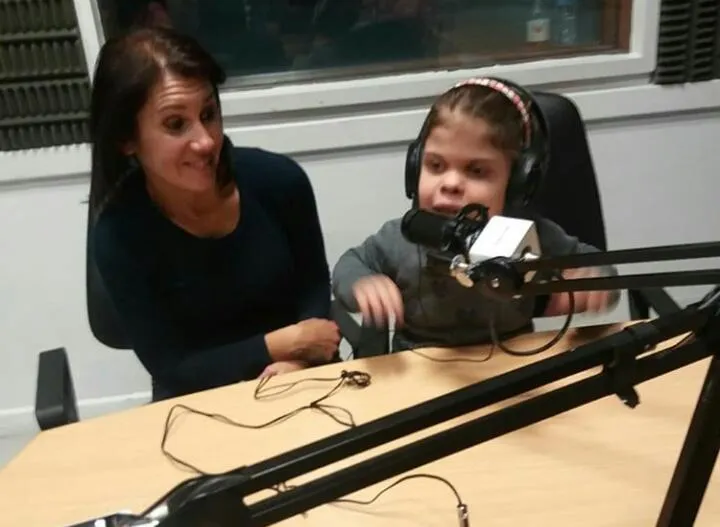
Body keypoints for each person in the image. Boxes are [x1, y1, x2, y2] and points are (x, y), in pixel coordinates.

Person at [88, 26, 340, 401]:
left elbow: (313, 292)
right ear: (127, 139)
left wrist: (297, 362)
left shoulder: (280, 181)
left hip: (298, 378)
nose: (206, 141)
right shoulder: (118, 234)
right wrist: (283, 343)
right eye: (176, 124)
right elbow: (173, 367)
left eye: (208, 113)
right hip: (196, 400)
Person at [332, 77, 619, 352]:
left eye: (476, 171)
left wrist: (593, 280)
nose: (450, 183)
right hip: (421, 365)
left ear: (517, 184)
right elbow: (350, 264)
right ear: (415, 167)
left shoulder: (532, 235)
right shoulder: (399, 238)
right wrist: (362, 283)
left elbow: (595, 264)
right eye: (435, 165)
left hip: (511, 362)